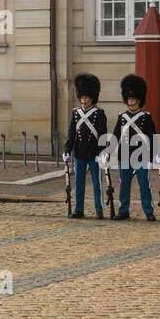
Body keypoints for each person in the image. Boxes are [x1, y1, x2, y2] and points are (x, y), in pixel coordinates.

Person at [62, 73, 108, 219]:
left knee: (97, 183)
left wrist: (103, 152)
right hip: (80, 153)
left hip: (94, 153)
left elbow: (102, 134)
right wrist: (67, 149)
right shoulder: (76, 113)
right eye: (82, 97)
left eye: (86, 97)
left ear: (92, 97)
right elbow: (71, 134)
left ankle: (99, 210)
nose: (84, 99)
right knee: (79, 183)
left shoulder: (99, 114)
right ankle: (79, 209)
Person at [112, 74, 156, 220]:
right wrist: (107, 151)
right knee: (124, 185)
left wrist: (153, 156)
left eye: (133, 99)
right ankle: (123, 210)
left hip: (142, 156)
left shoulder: (146, 117)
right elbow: (115, 136)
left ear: (139, 100)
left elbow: (152, 137)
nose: (131, 101)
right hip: (125, 155)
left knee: (144, 185)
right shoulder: (122, 117)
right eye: (129, 99)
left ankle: (148, 211)